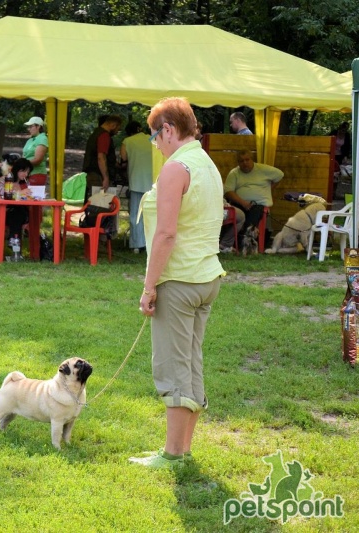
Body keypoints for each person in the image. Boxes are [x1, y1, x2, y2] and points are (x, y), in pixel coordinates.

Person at [130, 97, 225, 468]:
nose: (155, 144)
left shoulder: (176, 168)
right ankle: (182, 451)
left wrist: (149, 286)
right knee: (191, 363)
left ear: (168, 129)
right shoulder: (206, 162)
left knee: (172, 367)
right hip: (206, 277)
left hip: (181, 280)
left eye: (155, 136)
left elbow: (166, 234)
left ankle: (172, 454)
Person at [219, 150, 283, 252]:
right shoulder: (234, 173)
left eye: (247, 160)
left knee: (254, 213)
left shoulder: (263, 169)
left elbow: (280, 175)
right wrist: (243, 203)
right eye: (241, 161)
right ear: (238, 163)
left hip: (258, 204)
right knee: (234, 213)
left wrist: (268, 189)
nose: (245, 163)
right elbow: (228, 192)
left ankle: (245, 243)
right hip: (239, 202)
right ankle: (229, 243)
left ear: (252, 159)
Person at [120, 121, 153, 252]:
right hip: (154, 182)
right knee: (151, 214)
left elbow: (123, 160)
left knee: (135, 214)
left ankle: (136, 245)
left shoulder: (127, 141)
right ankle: (150, 243)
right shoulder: (153, 139)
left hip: (136, 181)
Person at [82, 114, 122, 202]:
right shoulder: (104, 136)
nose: (116, 132)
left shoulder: (95, 134)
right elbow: (101, 157)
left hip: (93, 174)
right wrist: (106, 178)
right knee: (100, 205)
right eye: (117, 129)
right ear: (113, 125)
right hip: (98, 176)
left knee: (94, 204)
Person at [0, 157, 33, 238]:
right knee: (16, 214)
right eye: (23, 171)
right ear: (17, 170)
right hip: (3, 211)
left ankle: (14, 240)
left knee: (18, 213)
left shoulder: (25, 184)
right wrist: (19, 193)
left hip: (20, 212)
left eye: (28, 172)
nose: (26, 174)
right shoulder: (5, 179)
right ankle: (15, 240)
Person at [22, 116, 49, 186]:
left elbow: (38, 160)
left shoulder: (43, 138)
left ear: (38, 126)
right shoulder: (30, 140)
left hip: (37, 174)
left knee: (34, 196)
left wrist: (22, 163)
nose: (28, 129)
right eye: (28, 127)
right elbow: (24, 155)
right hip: (26, 174)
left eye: (31, 126)